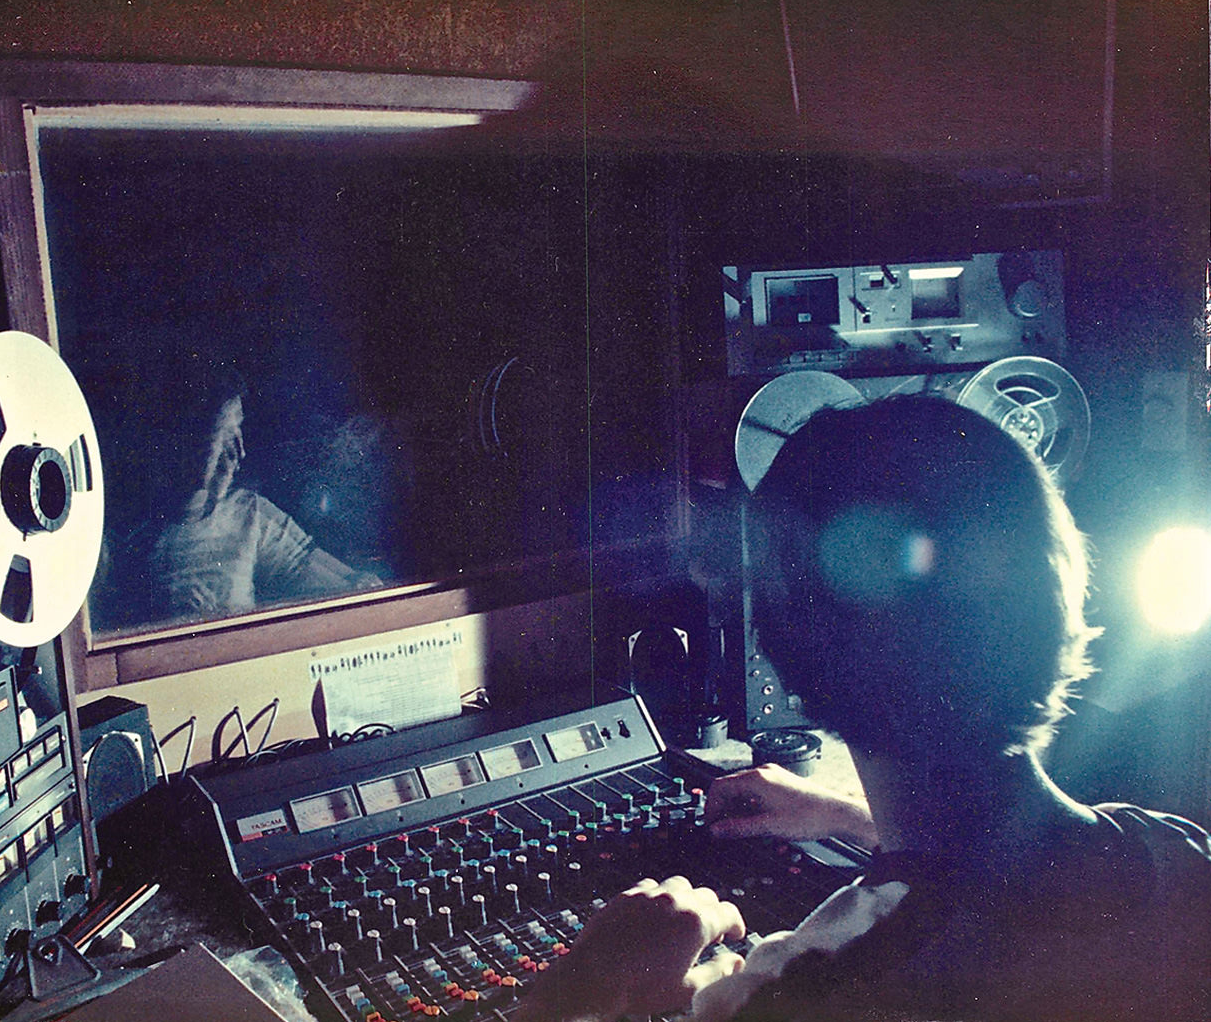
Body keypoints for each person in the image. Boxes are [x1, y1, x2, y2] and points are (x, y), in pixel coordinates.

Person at [517, 395, 1211, 1022]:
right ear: (1062, 596)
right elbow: (1000, 877)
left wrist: (576, 991)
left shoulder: (815, 995)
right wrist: (846, 816)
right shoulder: (1176, 853)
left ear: (789, 665)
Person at [105, 360, 380, 625]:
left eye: (238, 430)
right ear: (180, 439)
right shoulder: (124, 532)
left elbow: (339, 582)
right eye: (222, 432)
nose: (239, 450)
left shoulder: (250, 515)